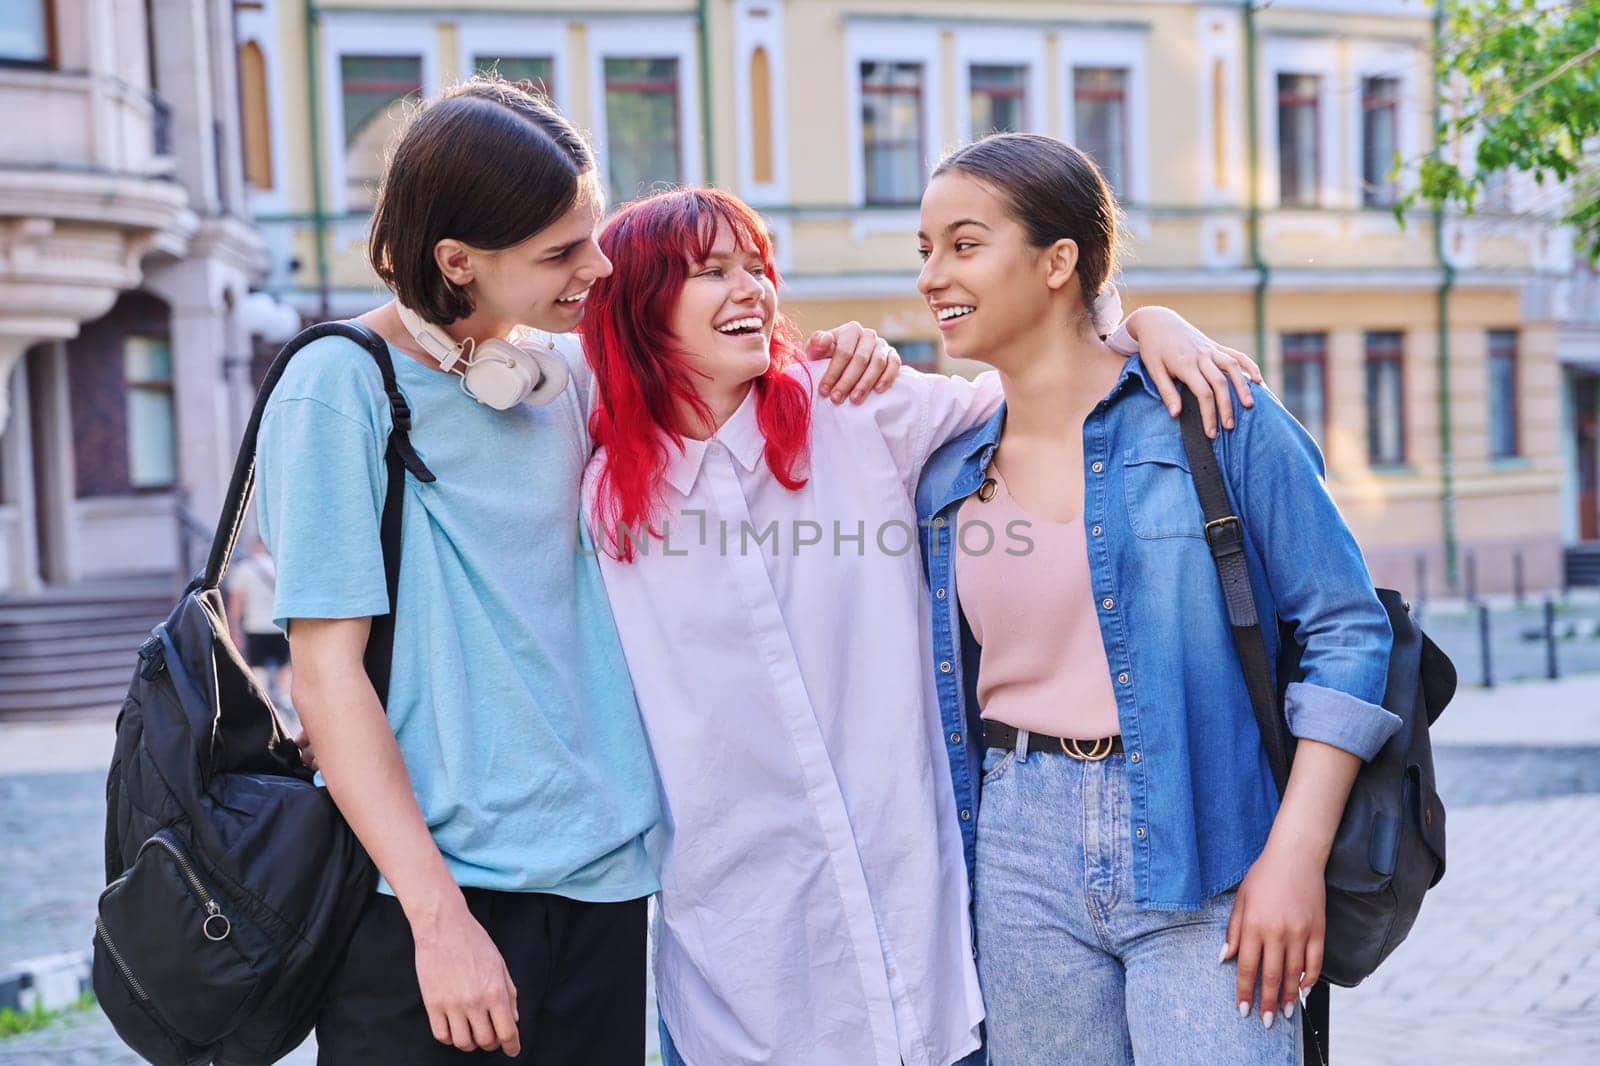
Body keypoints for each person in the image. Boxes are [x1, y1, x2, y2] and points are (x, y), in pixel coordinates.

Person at [259, 75, 907, 1066]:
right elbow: (325, 673)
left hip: (604, 887)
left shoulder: (562, 376)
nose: (598, 267)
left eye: (592, 234)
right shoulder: (341, 385)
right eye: (562, 251)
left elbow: (739, 368)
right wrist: (440, 924)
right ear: (457, 261)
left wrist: (1132, 324)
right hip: (432, 903)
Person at [578, 187, 1263, 1066]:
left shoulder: (857, 410)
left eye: (756, 267)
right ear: (637, 304)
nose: (750, 289)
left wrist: (1145, 325)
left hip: (927, 965)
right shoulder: (601, 499)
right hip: (738, 976)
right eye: (711, 273)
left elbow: (1044, 386)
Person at [914, 133, 1401, 1064]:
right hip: (1017, 855)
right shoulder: (943, 470)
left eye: (964, 244)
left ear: (1060, 262)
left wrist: (1294, 855)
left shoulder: (1216, 416)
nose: (934, 275)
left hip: (1208, 829)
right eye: (925, 250)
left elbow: (1345, 629)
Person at [227, 538, 292, 715]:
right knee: (284, 666)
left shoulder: (243, 569)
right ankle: (284, 703)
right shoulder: (280, 566)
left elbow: (236, 605)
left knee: (257, 667)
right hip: (280, 626)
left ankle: (263, 705)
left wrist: (233, 629)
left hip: (254, 627)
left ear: (254, 546)